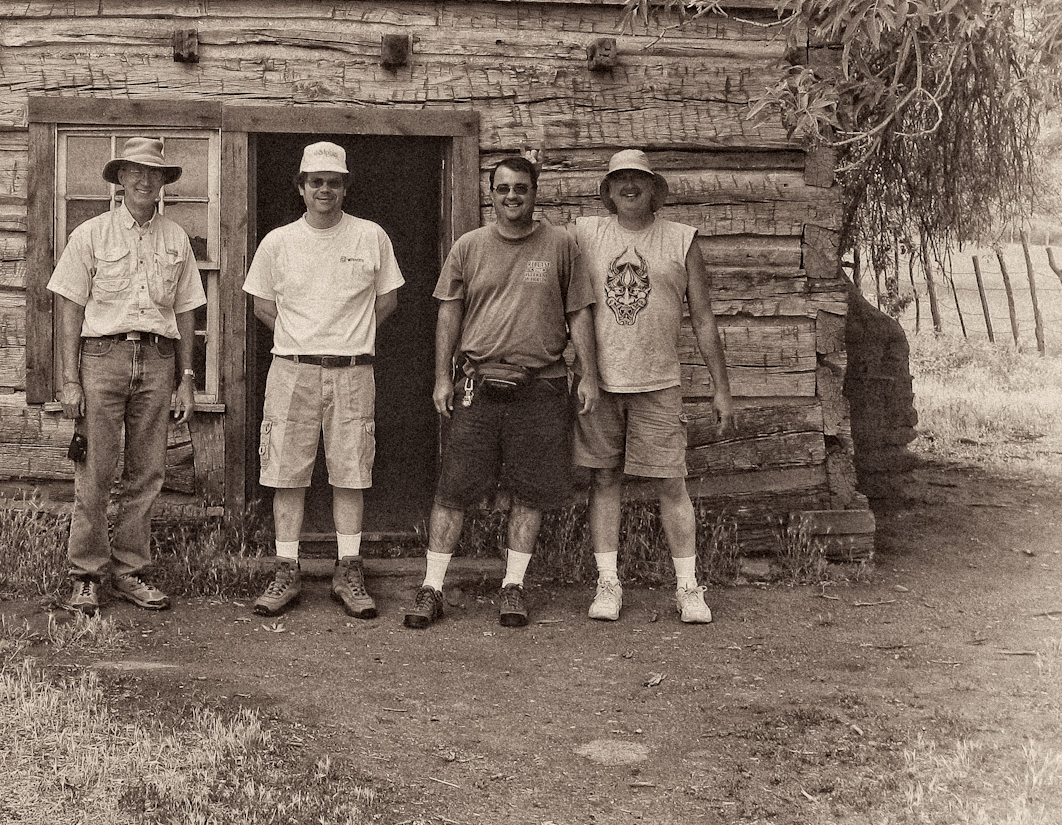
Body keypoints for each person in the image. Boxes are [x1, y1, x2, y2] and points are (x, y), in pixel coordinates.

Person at [406, 156, 600, 630]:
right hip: (477, 383)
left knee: (529, 491)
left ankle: (513, 586)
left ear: (536, 192)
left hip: (541, 386)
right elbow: (448, 314)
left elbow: (578, 314)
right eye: (503, 189)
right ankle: (432, 587)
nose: (512, 197)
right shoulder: (469, 247)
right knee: (454, 488)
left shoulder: (561, 246)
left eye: (521, 189)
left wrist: (589, 374)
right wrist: (441, 377)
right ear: (490, 194)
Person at [572, 148, 734, 625]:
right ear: (607, 190)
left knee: (670, 482)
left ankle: (687, 587)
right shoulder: (585, 233)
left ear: (653, 189)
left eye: (638, 179)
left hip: (659, 383)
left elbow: (703, 319)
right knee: (604, 479)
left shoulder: (681, 239)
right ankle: (608, 583)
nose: (629, 186)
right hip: (599, 383)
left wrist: (721, 388)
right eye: (619, 179)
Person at [242, 141, 403, 619]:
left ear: (345, 186)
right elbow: (262, 306)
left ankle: (348, 568)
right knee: (285, 471)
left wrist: (346, 336)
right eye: (316, 182)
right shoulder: (278, 241)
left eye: (334, 182)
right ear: (301, 187)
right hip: (292, 369)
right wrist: (304, 340)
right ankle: (286, 569)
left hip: (353, 370)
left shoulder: (370, 236)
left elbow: (388, 300)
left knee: (351, 471)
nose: (325, 190)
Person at [47, 136, 205, 614]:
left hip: (158, 360)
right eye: (134, 171)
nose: (143, 180)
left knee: (147, 472)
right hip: (102, 359)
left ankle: (129, 571)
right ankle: (86, 576)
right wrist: (70, 379)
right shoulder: (91, 235)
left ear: (163, 183)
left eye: (153, 173)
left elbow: (185, 312)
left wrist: (186, 377)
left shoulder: (176, 238)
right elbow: (68, 307)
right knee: (95, 472)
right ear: (119, 179)